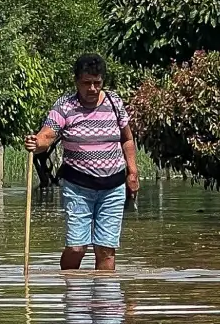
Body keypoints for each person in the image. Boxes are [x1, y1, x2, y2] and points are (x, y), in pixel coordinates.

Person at [25, 53, 140, 272]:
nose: (92, 89)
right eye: (86, 83)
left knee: (106, 249)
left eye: (97, 83)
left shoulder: (114, 102)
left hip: (113, 187)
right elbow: (47, 136)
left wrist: (132, 172)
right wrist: (36, 142)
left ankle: (105, 293)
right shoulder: (65, 106)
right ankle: (70, 288)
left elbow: (127, 139)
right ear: (77, 81)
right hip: (78, 187)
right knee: (76, 247)